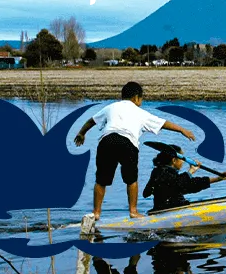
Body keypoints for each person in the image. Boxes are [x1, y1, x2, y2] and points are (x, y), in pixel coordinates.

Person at [73, 81, 196, 220]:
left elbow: (91, 121)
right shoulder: (140, 112)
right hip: (127, 142)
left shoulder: (110, 107)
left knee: (101, 180)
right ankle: (133, 211)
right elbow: (163, 123)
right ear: (136, 98)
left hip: (106, 141)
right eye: (141, 99)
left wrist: (81, 133)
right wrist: (182, 130)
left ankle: (96, 213)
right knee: (131, 180)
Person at [142, 144, 226, 212]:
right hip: (168, 210)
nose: (183, 162)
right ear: (174, 160)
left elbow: (191, 185)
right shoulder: (162, 173)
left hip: (169, 208)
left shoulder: (160, 172)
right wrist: (190, 171)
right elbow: (179, 184)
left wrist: (218, 178)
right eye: (182, 159)